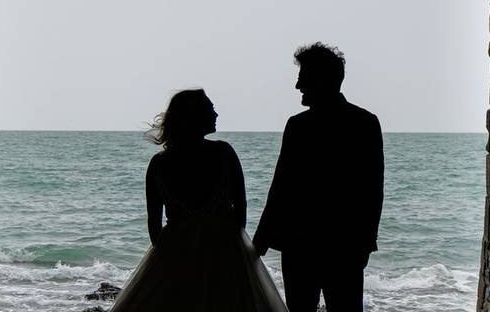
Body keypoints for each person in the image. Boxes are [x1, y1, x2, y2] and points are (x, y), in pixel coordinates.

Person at [110, 89, 288, 312]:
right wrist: (234, 244)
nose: (216, 114)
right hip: (224, 249)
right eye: (210, 109)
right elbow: (240, 208)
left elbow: (154, 224)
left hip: (175, 254)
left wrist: (166, 258)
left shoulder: (159, 163)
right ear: (194, 116)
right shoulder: (223, 153)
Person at [253, 43, 384, 312]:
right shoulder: (365, 123)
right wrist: (365, 242)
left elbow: (280, 190)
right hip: (346, 246)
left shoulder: (298, 126)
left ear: (319, 80)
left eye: (302, 78)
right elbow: (372, 191)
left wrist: (260, 243)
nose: (298, 86)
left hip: (300, 246)